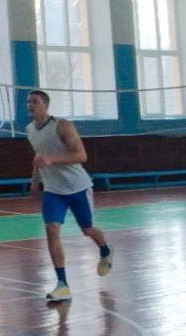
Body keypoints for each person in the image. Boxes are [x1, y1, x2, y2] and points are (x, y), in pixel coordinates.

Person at [26, 89, 113, 302]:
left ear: (45, 105)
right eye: (28, 102)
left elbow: (81, 155)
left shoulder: (62, 126)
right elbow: (39, 155)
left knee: (87, 229)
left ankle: (105, 249)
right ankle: (62, 284)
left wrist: (52, 159)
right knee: (52, 229)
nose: (30, 105)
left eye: (34, 102)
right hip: (53, 190)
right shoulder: (29, 129)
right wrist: (35, 178)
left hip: (78, 187)